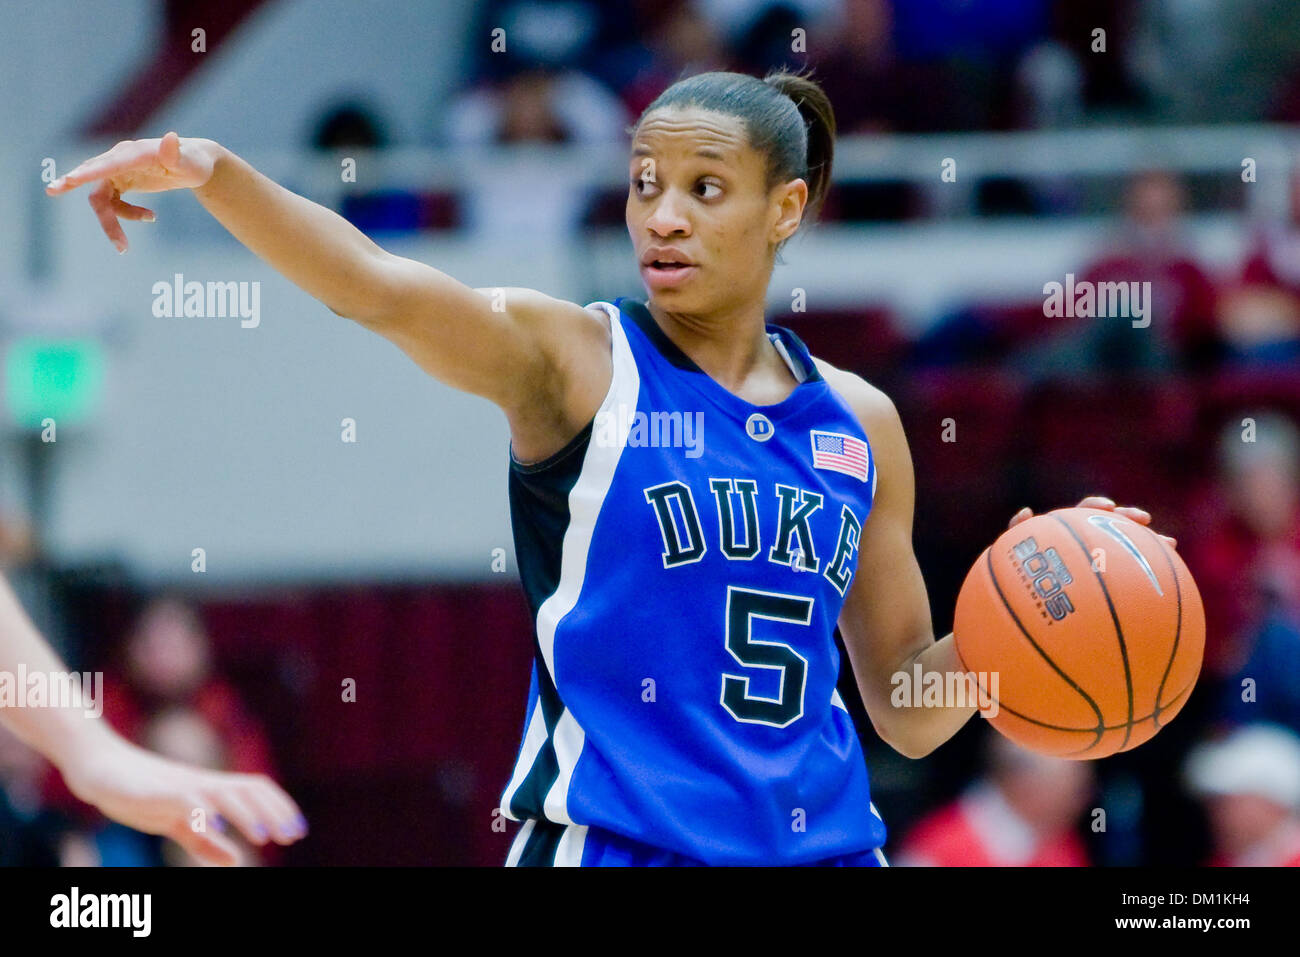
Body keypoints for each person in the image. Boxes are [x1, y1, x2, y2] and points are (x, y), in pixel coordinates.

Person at [46, 68, 1170, 866]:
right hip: (615, 847)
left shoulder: (861, 422)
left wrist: (1004, 633)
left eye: (703, 189)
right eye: (644, 185)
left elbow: (905, 711)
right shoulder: (577, 362)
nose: (662, 218)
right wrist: (214, 170)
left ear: (787, 209)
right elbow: (375, 287)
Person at [0, 573, 306, 865]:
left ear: (200, 648)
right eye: (151, 644)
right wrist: (92, 756)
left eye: (172, 644)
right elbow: (56, 795)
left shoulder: (224, 708)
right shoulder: (102, 701)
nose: (161, 658)